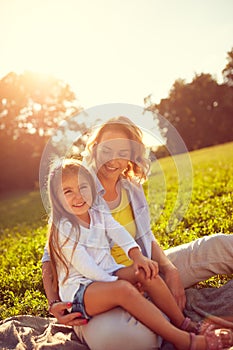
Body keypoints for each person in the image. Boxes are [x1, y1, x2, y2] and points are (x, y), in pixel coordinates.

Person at [42, 116, 233, 350]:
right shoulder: (76, 185)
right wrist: (53, 304)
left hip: (139, 271)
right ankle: (174, 330)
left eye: (123, 151)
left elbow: (144, 236)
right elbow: (50, 258)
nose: (114, 158)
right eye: (107, 149)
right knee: (131, 340)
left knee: (222, 246)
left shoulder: (130, 188)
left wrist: (168, 269)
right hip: (99, 285)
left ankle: (180, 321)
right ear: (94, 148)